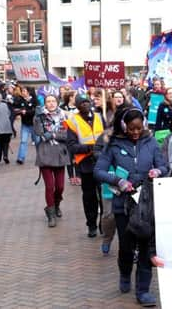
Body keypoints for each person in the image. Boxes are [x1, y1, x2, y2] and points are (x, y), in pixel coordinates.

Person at [94, 107, 167, 306]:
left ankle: (143, 291)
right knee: (126, 247)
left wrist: (157, 171)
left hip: (146, 203)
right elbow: (98, 170)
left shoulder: (150, 142)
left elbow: (164, 165)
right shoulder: (114, 144)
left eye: (138, 128)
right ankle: (124, 273)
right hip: (123, 204)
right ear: (125, 126)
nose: (135, 133)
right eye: (131, 129)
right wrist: (118, 181)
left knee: (145, 246)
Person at [66, 94, 105, 238]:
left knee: (104, 196)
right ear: (77, 106)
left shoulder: (99, 117)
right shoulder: (73, 121)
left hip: (102, 162)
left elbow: (107, 136)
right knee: (89, 197)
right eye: (81, 103)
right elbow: (71, 146)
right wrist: (89, 148)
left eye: (87, 102)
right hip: (86, 164)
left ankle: (103, 223)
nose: (85, 105)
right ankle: (91, 224)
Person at [34, 94, 70, 228]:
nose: (51, 103)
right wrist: (37, 118)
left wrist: (53, 135)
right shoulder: (40, 116)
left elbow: (67, 134)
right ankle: (51, 213)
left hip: (60, 153)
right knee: (50, 186)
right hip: (45, 154)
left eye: (53, 101)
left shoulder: (64, 116)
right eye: (48, 101)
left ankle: (56, 204)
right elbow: (38, 133)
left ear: (57, 102)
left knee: (60, 187)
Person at [13, 85, 38, 165]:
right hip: (25, 124)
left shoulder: (34, 100)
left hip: (34, 125)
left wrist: (26, 112)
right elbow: (15, 109)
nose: (23, 92)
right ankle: (20, 158)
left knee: (38, 142)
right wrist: (19, 111)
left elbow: (36, 111)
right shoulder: (20, 100)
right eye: (22, 91)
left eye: (24, 91)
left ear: (28, 92)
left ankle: (41, 156)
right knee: (23, 141)